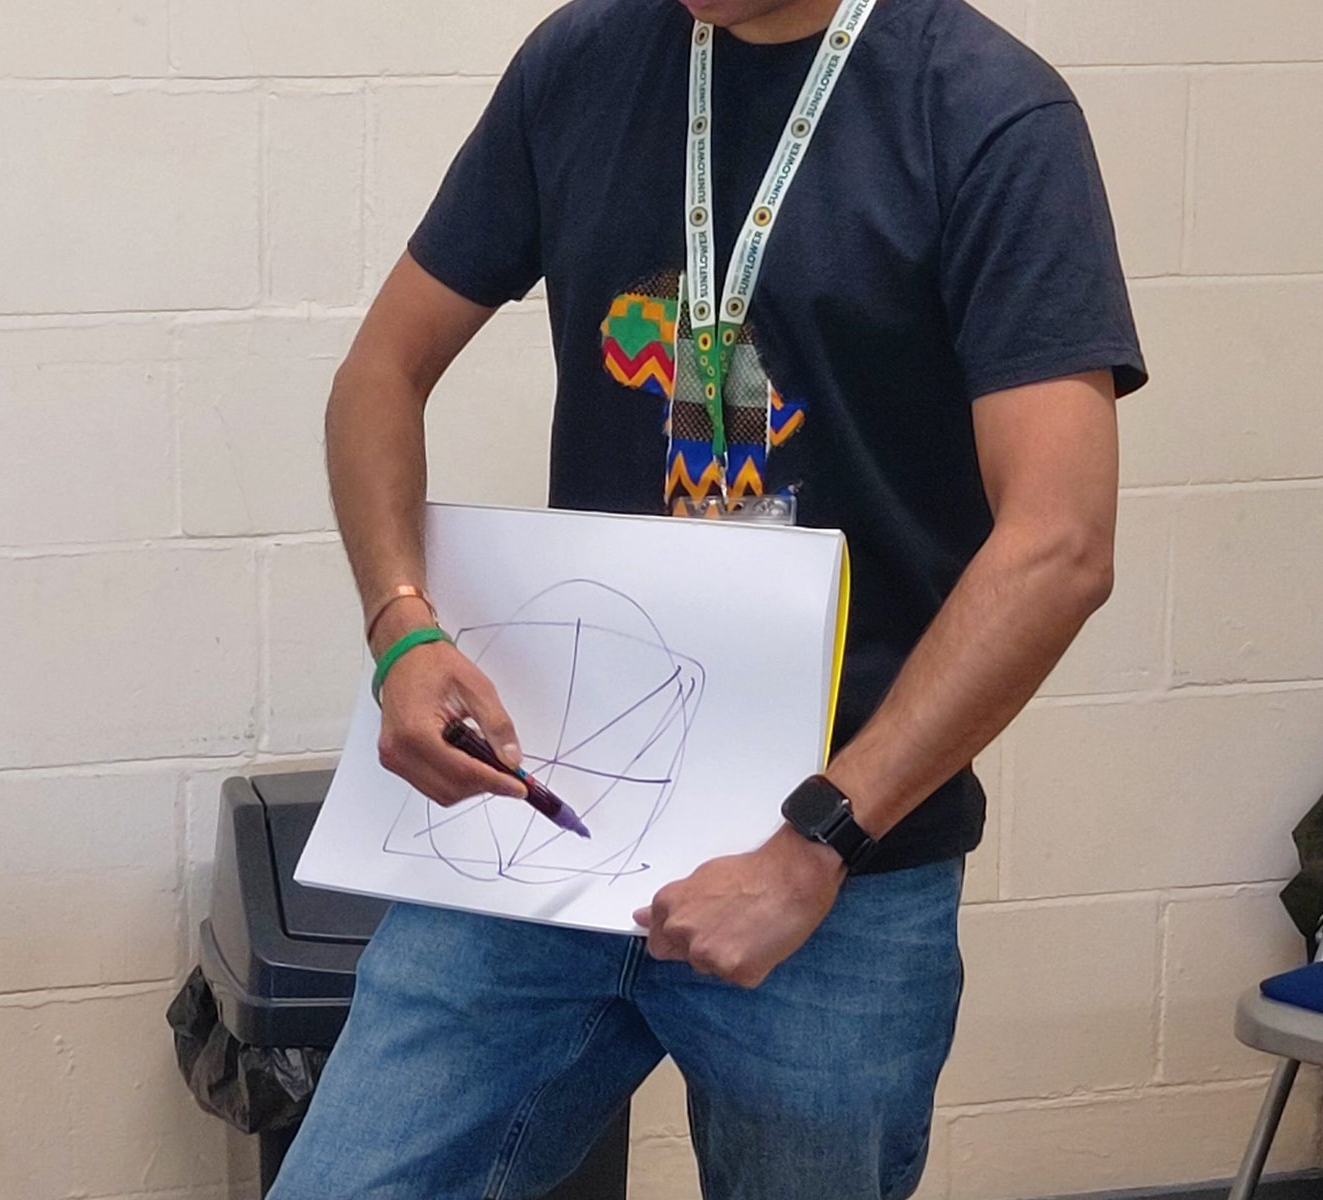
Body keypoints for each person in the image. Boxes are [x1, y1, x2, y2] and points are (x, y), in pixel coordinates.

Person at [271, 0, 1146, 1194]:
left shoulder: (987, 112)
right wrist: (399, 625)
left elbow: (1060, 543)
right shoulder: (581, 62)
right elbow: (380, 369)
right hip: (556, 812)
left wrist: (814, 844)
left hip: (839, 874)